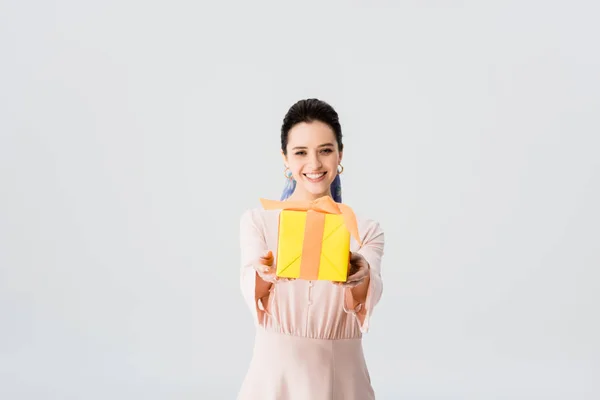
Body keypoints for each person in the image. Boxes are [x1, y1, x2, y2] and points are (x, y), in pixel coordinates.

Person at [237, 98, 385, 400]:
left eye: (325, 151)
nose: (314, 164)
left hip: (343, 382)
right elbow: (253, 291)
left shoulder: (364, 230)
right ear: (285, 158)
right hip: (272, 381)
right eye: (301, 152)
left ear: (340, 154)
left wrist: (360, 275)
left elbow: (364, 303)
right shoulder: (259, 222)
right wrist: (265, 273)